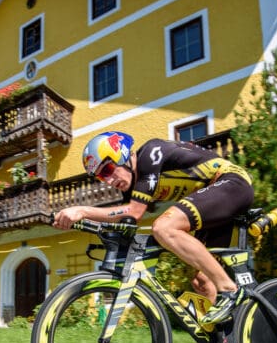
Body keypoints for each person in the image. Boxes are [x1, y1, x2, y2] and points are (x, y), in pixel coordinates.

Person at [53, 131, 255, 324]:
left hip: (231, 183)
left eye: (107, 170)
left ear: (123, 155)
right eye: (100, 177)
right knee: (203, 282)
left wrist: (82, 211)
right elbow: (125, 221)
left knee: (164, 228)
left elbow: (134, 212)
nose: (108, 181)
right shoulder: (131, 187)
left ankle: (230, 289)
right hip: (214, 204)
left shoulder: (150, 153)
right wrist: (81, 224)